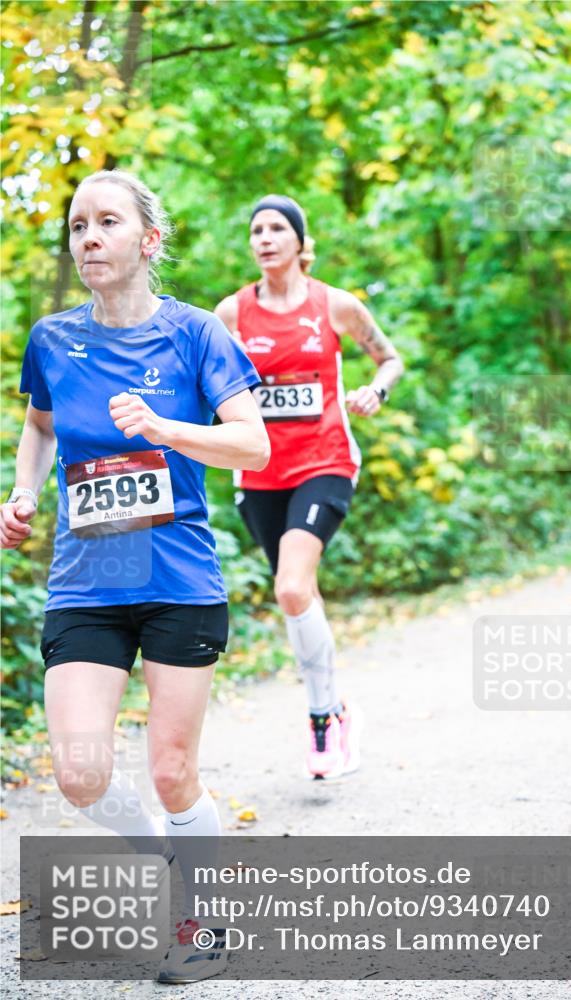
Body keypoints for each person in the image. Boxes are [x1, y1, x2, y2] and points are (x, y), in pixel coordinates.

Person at [0, 169, 270, 984]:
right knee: (81, 773)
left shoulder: (195, 335)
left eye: (106, 223)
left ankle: (200, 921)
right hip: (86, 579)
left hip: (178, 578)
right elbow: (39, 428)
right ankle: (176, 860)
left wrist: (163, 426)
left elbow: (253, 446)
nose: (87, 238)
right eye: (78, 226)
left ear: (147, 240)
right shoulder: (52, 339)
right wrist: (21, 490)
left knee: (169, 769)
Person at [215, 194, 404, 780]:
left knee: (293, 587)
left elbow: (389, 358)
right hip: (260, 472)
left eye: (276, 228)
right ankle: (340, 707)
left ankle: (324, 718)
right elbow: (207, 383)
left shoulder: (337, 306)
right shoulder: (231, 314)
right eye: (256, 230)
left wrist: (376, 390)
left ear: (300, 242)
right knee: (298, 593)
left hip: (325, 460)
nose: (265, 238)